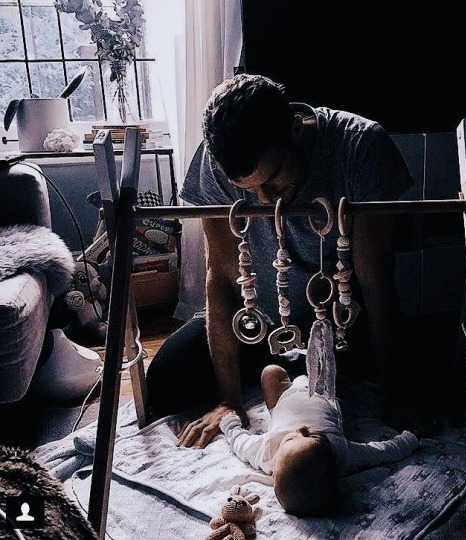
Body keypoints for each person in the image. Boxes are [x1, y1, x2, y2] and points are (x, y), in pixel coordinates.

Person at [147, 72, 422, 447]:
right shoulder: (214, 161)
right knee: (163, 384)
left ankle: (306, 375)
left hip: (340, 326)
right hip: (256, 324)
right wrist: (229, 401)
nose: (264, 199)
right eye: (249, 189)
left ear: (295, 129)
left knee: (434, 384)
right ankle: (276, 377)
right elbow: (221, 278)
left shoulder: (361, 145)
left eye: (272, 180)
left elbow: (376, 281)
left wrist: (394, 395)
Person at [219, 364, 420, 516]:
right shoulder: (342, 454)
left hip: (283, 397)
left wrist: (229, 424)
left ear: (274, 471)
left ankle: (296, 368)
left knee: (270, 372)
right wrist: (409, 440)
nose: (301, 429)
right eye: (314, 436)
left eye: (290, 439)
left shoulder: (265, 454)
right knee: (328, 364)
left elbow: (240, 443)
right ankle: (308, 366)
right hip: (323, 394)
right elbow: (381, 452)